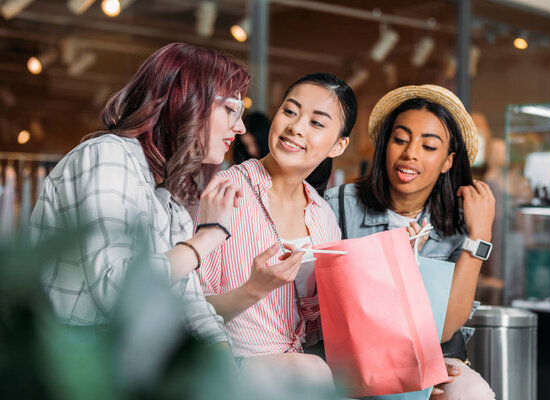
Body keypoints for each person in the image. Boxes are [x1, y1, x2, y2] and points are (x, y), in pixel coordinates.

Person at [29, 42, 250, 346]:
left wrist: (224, 361)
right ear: (186, 101)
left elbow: (191, 306)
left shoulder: (169, 193)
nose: (240, 127)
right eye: (231, 109)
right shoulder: (107, 156)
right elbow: (117, 293)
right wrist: (208, 235)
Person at [324, 85, 495, 399]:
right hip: (349, 361)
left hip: (429, 355)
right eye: (400, 140)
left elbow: (443, 329)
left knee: (471, 393)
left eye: (429, 146)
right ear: (385, 144)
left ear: (448, 161)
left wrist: (479, 238)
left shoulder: (458, 225)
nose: (410, 153)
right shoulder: (335, 206)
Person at [195, 73, 356, 378]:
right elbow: (188, 313)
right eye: (290, 111)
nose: (296, 127)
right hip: (227, 370)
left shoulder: (323, 216)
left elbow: (314, 333)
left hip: (295, 372)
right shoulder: (223, 191)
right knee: (311, 373)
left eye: (317, 123)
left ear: (338, 145)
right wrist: (254, 290)